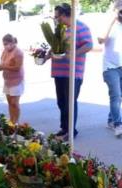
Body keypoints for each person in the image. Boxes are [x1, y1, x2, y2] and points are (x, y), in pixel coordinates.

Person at [47, 3, 93, 140]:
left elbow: (89, 44)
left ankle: (70, 131)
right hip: (59, 72)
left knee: (70, 102)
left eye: (57, 16)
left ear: (65, 14)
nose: (56, 19)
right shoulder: (61, 29)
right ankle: (64, 128)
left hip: (73, 72)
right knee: (61, 102)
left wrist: (73, 54)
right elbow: (55, 47)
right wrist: (45, 56)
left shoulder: (80, 27)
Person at [98, 1, 122, 137]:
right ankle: (118, 125)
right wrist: (112, 19)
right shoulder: (109, 24)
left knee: (119, 97)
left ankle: (111, 120)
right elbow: (101, 39)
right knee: (116, 95)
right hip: (110, 67)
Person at [0, 34, 24, 124]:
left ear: (13, 42)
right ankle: (11, 121)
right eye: (4, 44)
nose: (6, 46)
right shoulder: (5, 51)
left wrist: (4, 67)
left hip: (17, 80)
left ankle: (16, 122)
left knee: (14, 102)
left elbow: (17, 67)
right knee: (10, 102)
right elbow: (2, 66)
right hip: (7, 80)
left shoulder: (18, 52)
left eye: (7, 44)